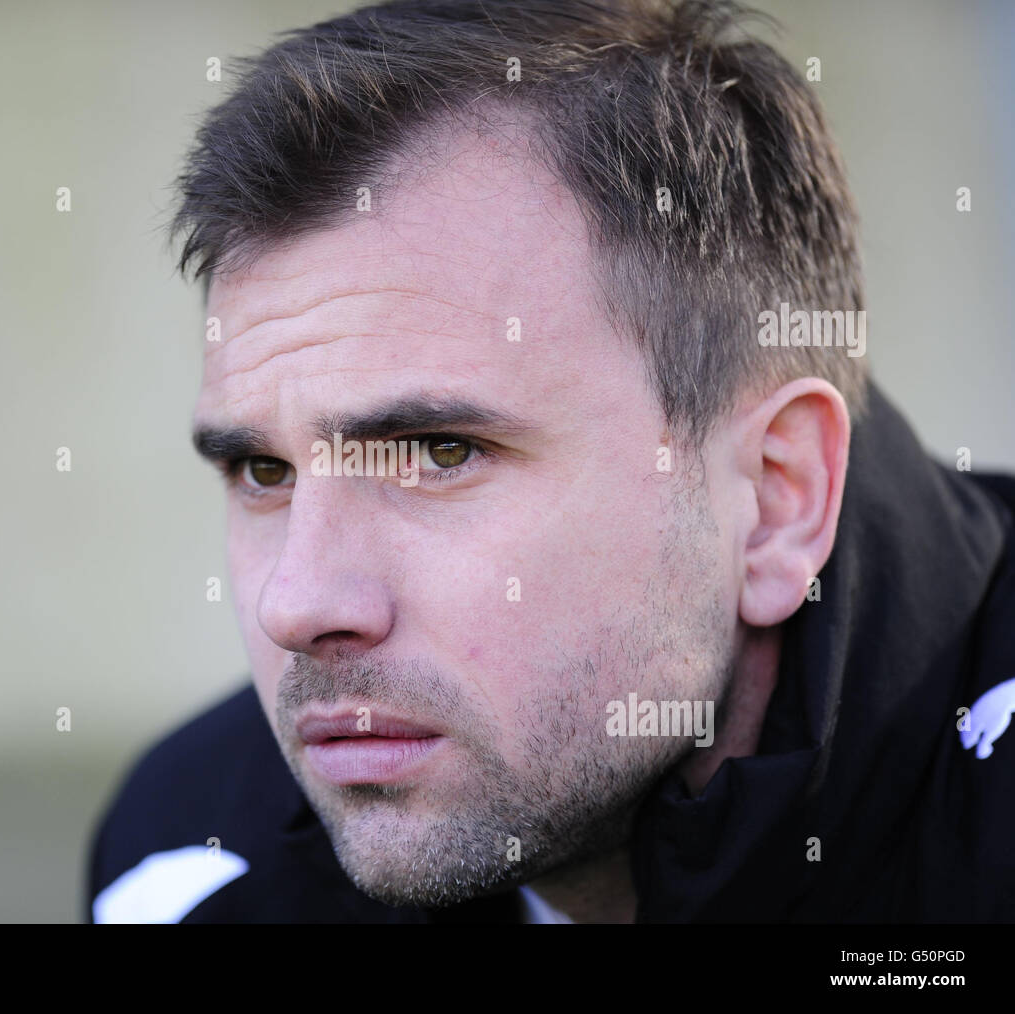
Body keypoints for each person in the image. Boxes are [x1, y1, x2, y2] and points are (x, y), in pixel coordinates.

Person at [87, 0, 1015, 922]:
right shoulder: (192, 862)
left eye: (439, 453)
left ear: (776, 498)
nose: (297, 605)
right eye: (263, 471)